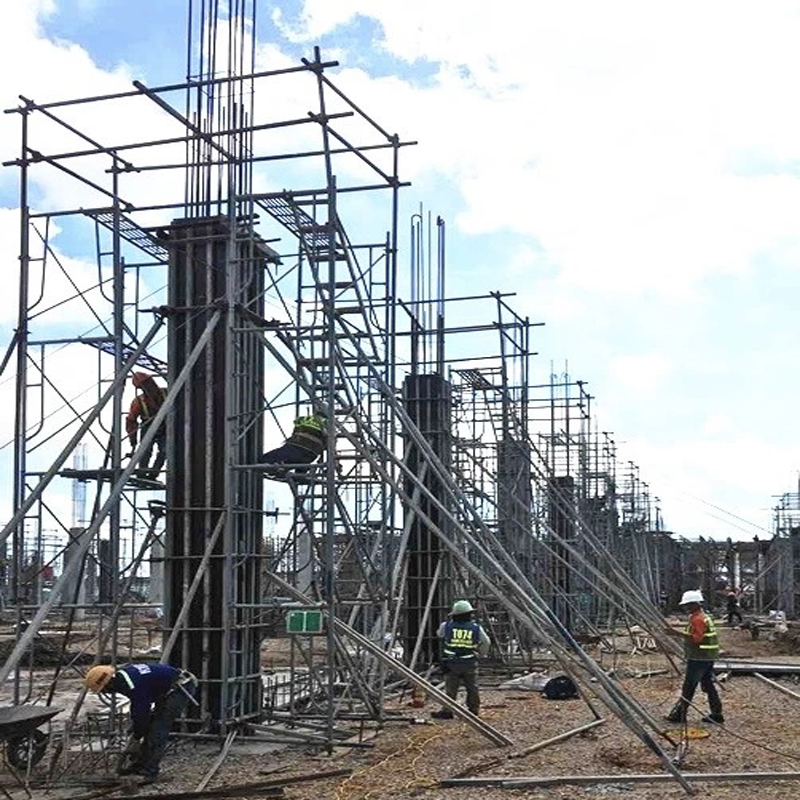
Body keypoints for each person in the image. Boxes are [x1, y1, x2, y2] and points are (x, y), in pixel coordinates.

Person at [84, 662, 197, 783]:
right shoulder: (124, 676)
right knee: (148, 726)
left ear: (108, 684)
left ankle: (150, 772)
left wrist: (137, 737)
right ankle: (139, 766)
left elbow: (141, 710)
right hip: (167, 688)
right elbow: (139, 708)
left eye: (104, 690)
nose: (105, 693)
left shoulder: (132, 684)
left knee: (158, 730)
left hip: (180, 688)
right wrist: (137, 730)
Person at [663, 589, 724, 724]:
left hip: (699, 657)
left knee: (689, 686)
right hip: (707, 656)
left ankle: (679, 714)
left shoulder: (698, 619)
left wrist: (675, 633)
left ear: (695, 604)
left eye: (688, 605)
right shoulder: (702, 616)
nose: (685, 608)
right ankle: (717, 713)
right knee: (708, 685)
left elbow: (697, 639)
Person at [431, 599, 491, 719]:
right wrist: (481, 654)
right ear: (469, 614)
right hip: (469, 662)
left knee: (451, 688)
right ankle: (473, 710)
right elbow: (486, 642)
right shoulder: (475, 628)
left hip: (451, 663)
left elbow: (439, 635)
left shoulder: (446, 626)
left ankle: (448, 710)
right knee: (472, 687)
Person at [125, 372, 167, 481]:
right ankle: (142, 474)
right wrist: (133, 439)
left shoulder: (166, 393)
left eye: (149, 383)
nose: (149, 387)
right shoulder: (139, 401)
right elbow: (131, 420)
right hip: (148, 426)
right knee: (145, 450)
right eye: (144, 385)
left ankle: (153, 474)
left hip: (165, 426)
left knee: (165, 450)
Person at [258, 410, 327, 476]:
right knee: (300, 463)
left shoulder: (306, 418)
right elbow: (329, 444)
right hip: (312, 454)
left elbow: (296, 425)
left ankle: (277, 468)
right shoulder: (329, 424)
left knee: (265, 459)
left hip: (297, 447)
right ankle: (300, 473)